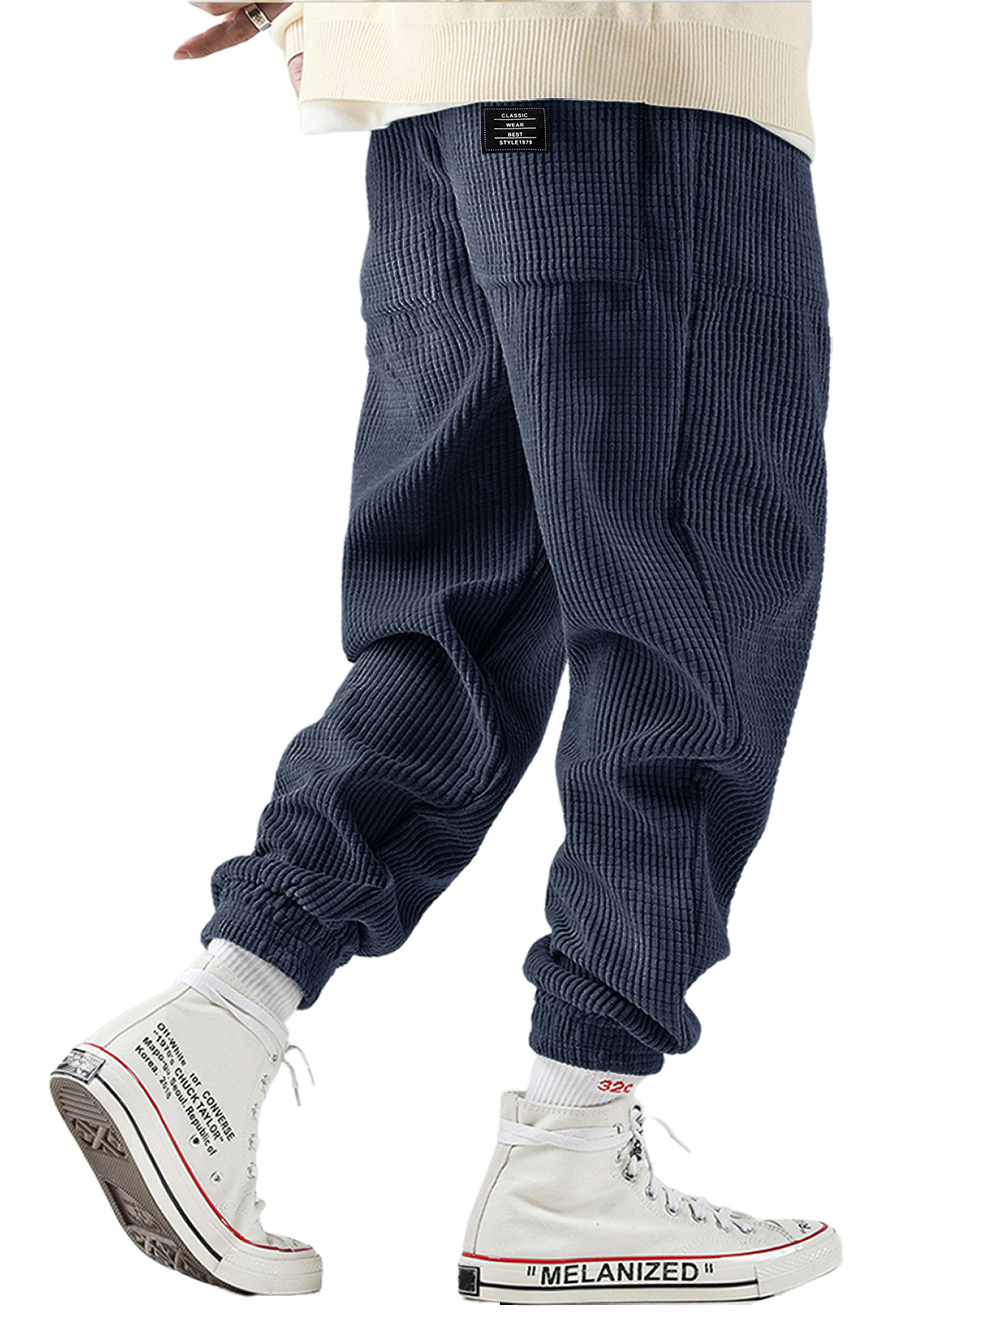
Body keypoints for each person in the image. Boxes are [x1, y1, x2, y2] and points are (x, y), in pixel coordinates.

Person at [50, 0, 841, 1303]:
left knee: (467, 608)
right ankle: (571, 1152)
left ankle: (218, 1020)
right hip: (643, 73)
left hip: (429, 87)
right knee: (697, 600)